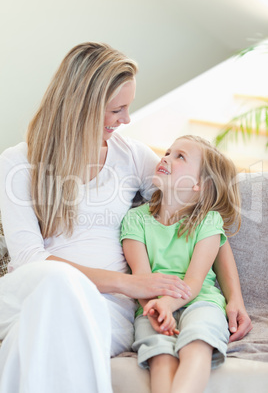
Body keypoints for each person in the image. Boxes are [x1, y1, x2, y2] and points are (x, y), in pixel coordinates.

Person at [0, 43, 251, 393]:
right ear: (82, 107)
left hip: (105, 307)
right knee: (56, 285)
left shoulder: (130, 156)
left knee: (37, 335)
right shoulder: (17, 163)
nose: (127, 120)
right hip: (37, 288)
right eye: (117, 109)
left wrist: (234, 297)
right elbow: (29, 259)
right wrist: (130, 284)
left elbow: (201, 218)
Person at [120, 135, 248, 393]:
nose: (166, 157)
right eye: (168, 152)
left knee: (196, 345)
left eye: (180, 156)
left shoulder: (209, 222)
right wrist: (155, 310)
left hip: (200, 301)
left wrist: (168, 303)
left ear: (199, 184)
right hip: (151, 306)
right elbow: (141, 280)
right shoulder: (134, 220)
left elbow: (194, 281)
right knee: (160, 357)